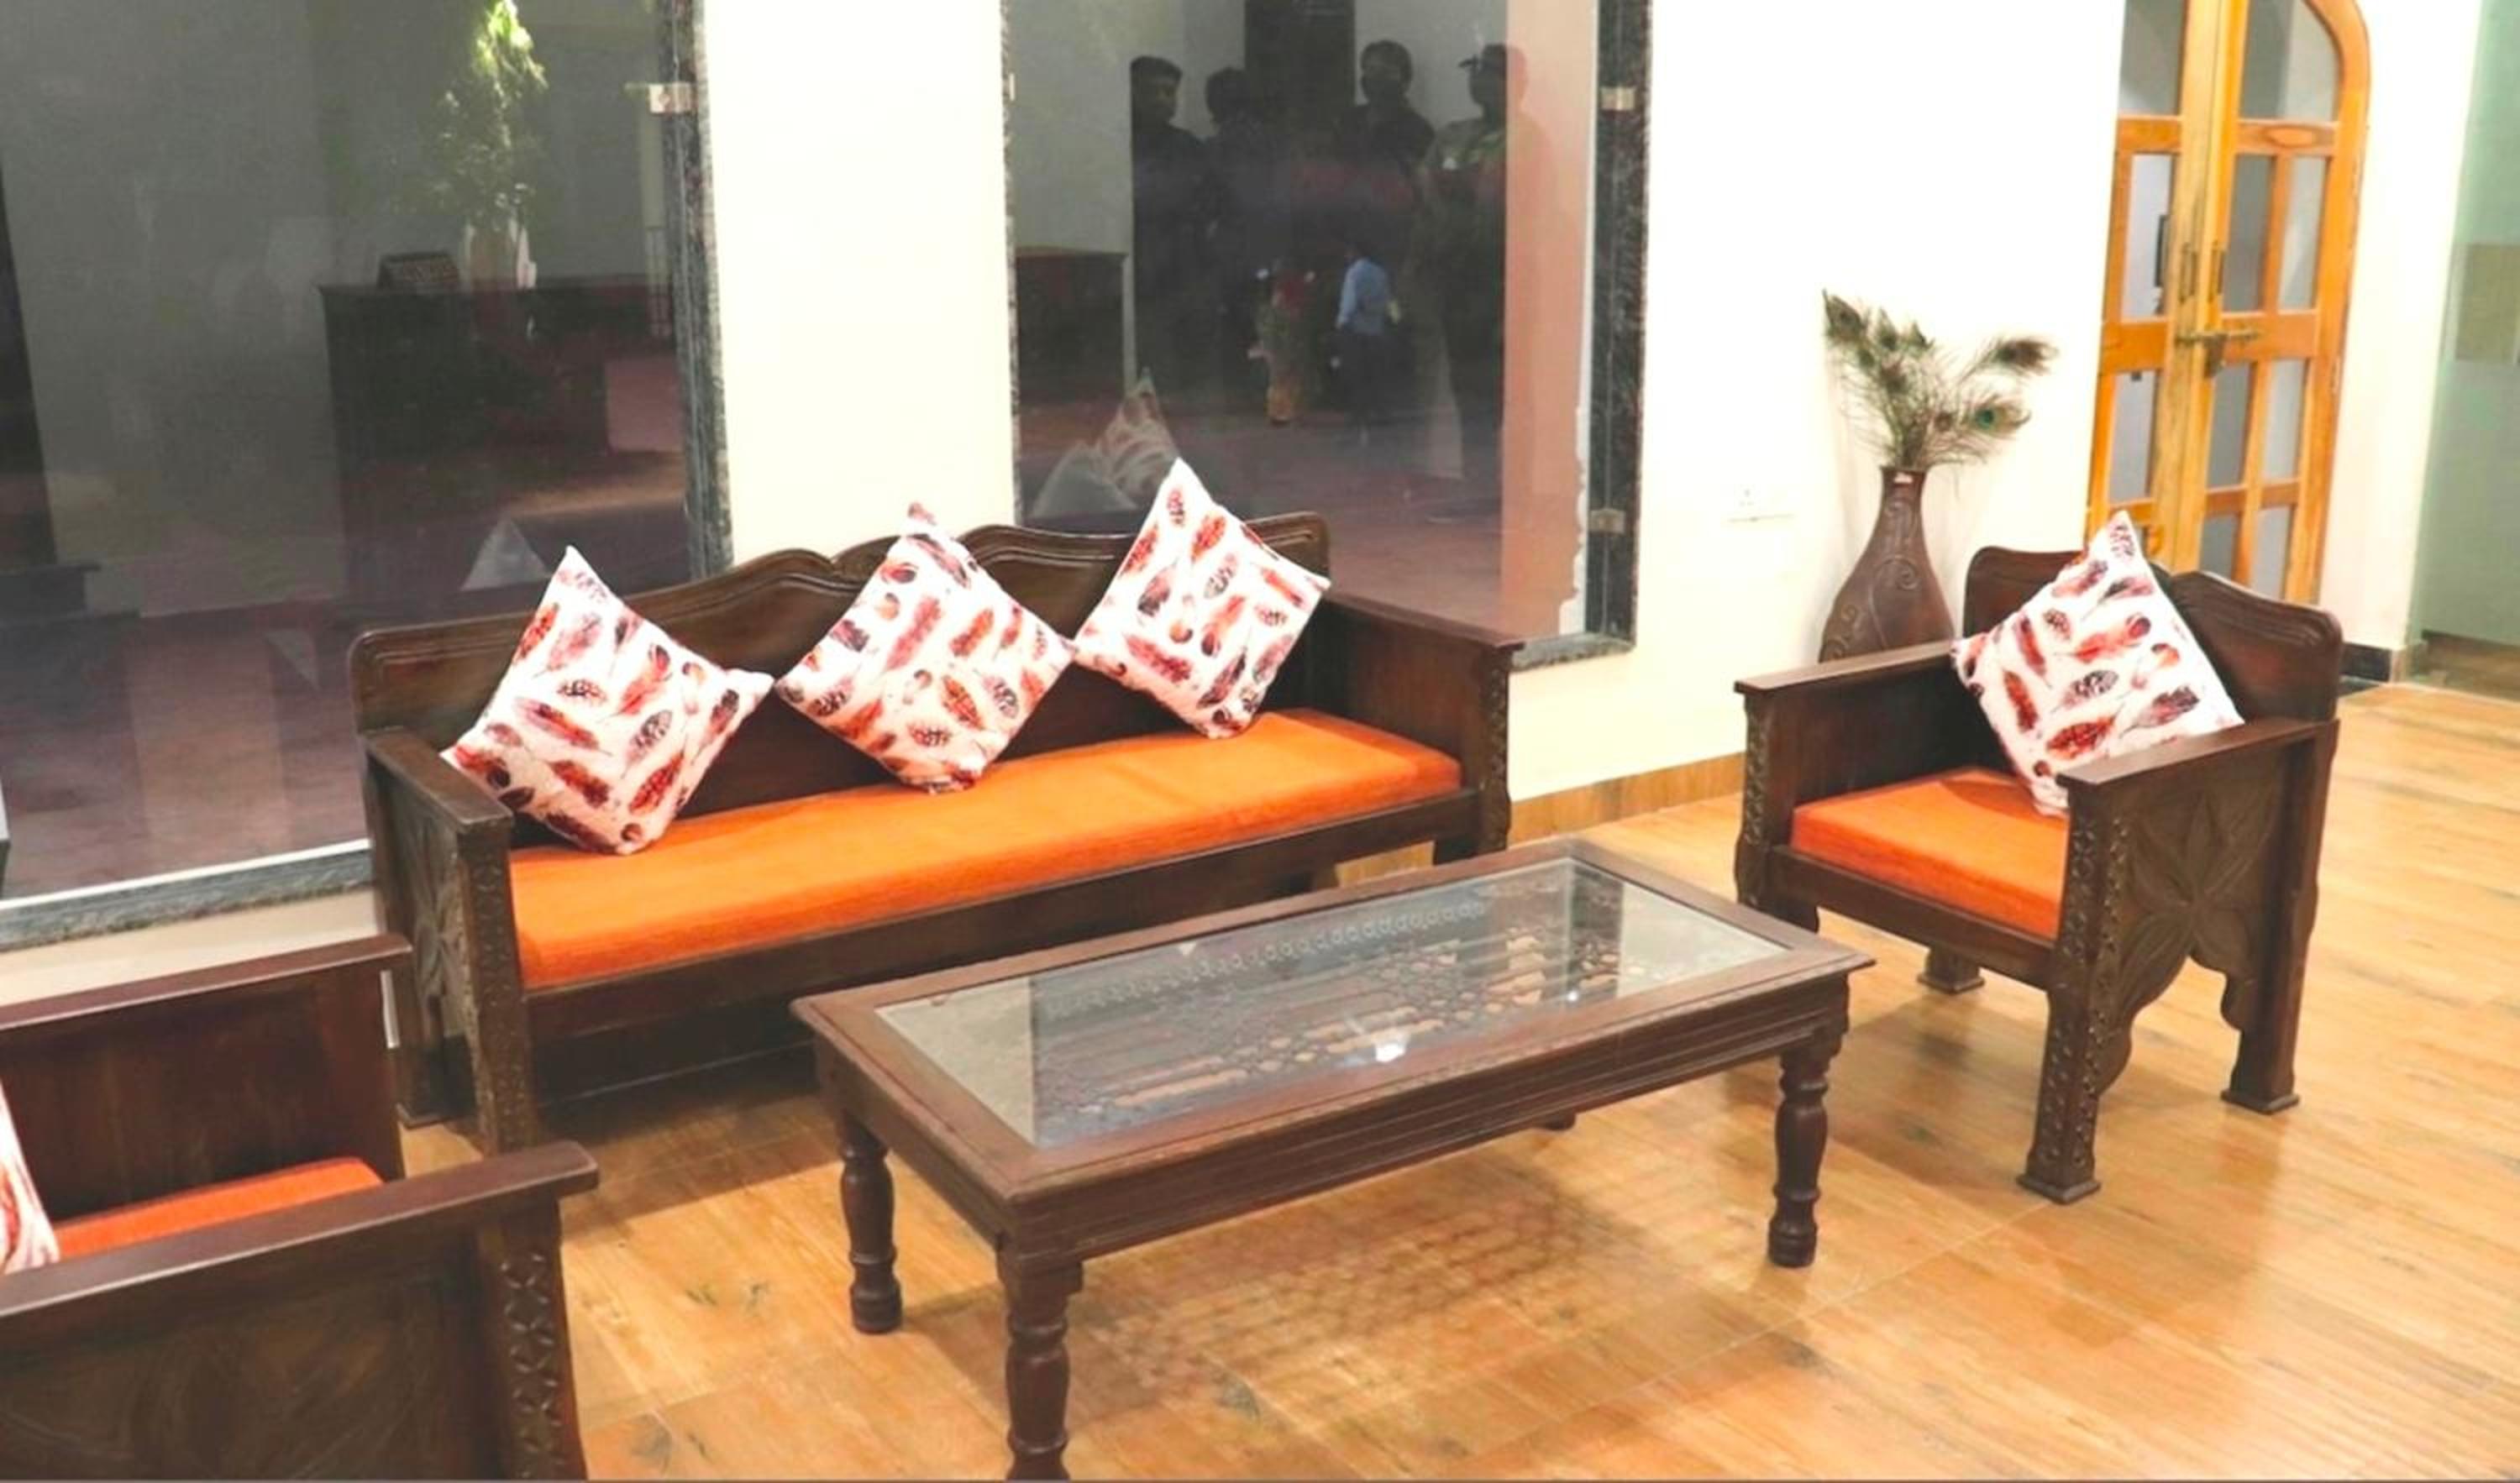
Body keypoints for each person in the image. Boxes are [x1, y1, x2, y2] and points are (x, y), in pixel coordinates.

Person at [1407, 44, 1511, 500]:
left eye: (1491, 74)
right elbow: (1425, 182)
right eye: (1476, 73)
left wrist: (1461, 192)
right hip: (1455, 274)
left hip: (1501, 272)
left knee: (1498, 388)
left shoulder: (1524, 135)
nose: (1480, 82)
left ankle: (1499, 489)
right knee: (1467, 386)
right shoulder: (1455, 132)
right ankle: (1479, 486)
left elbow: (1497, 199)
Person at [1130, 56, 1220, 397]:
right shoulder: (1121, 143)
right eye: (1152, 91)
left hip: (1185, 266)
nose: (1162, 100)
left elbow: (1210, 201)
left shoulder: (1188, 146)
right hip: (1144, 265)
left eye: (1169, 92)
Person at [1327, 41, 1436, 270]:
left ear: (1405, 80)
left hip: (1391, 241)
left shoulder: (1418, 130)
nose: (1374, 78)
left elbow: (1420, 194)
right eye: (1369, 70)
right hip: (1342, 233)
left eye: (1385, 72)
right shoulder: (1348, 121)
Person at [1334, 238, 1397, 436]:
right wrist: (1397, 319)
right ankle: (1382, 412)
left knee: (1356, 374)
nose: (1346, 256)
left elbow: (1350, 303)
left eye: (1348, 253)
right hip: (1376, 330)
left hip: (1354, 330)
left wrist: (1341, 323)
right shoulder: (1381, 273)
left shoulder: (1354, 273)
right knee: (1376, 372)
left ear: (1355, 252)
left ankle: (1359, 413)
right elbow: (1389, 299)